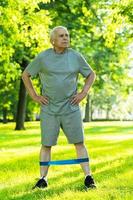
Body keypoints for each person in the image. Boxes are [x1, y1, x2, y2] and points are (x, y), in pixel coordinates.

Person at [22, 26, 96, 190]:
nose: (66, 38)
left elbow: (91, 74)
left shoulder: (76, 56)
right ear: (53, 40)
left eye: (67, 35)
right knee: (46, 144)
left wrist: (83, 92)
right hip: (49, 109)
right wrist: (35, 96)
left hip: (71, 107)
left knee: (79, 142)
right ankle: (42, 179)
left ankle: (88, 178)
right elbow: (26, 75)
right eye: (62, 36)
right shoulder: (43, 57)